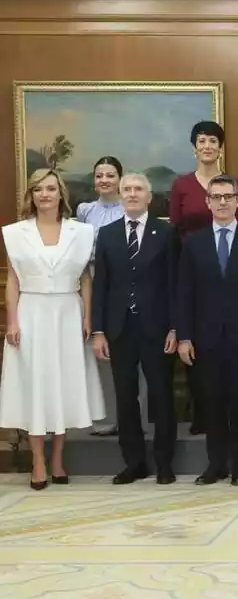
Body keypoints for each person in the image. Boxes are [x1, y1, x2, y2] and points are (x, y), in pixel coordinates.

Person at [2, 169, 105, 490]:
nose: (44, 194)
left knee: (62, 384)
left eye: (50, 188)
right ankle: (37, 461)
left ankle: (58, 458)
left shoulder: (82, 231)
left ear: (61, 193)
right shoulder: (16, 233)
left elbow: (86, 278)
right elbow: (14, 280)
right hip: (30, 313)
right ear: (30, 196)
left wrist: (89, 317)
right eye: (38, 189)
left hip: (67, 313)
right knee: (35, 385)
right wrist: (13, 321)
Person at [176, 175, 238, 487]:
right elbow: (185, 292)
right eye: (216, 197)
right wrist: (185, 336)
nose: (222, 202)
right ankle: (215, 465)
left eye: (228, 196)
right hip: (205, 339)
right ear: (207, 202)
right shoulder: (194, 243)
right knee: (212, 403)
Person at [90, 172, 180, 485]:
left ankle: (165, 463)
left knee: (161, 396)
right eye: (126, 189)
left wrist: (174, 328)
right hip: (119, 329)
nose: (131, 194)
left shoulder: (166, 232)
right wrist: (98, 331)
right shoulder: (107, 233)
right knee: (125, 397)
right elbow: (100, 285)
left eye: (137, 189)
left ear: (148, 197)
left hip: (157, 328)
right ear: (120, 193)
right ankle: (134, 463)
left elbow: (174, 284)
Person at [169, 121, 238, 435]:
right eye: (201, 141)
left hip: (228, 275)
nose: (207, 146)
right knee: (197, 346)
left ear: (220, 147)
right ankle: (201, 415)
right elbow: (173, 231)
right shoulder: (181, 185)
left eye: (213, 141)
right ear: (194, 147)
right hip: (192, 272)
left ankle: (230, 418)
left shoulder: (233, 184)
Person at [76, 156, 126, 437]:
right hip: (92, 279)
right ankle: (106, 416)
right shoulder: (85, 211)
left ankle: (131, 416)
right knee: (99, 347)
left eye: (110, 175)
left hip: (121, 280)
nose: (104, 180)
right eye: (99, 175)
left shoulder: (128, 206)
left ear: (120, 178)